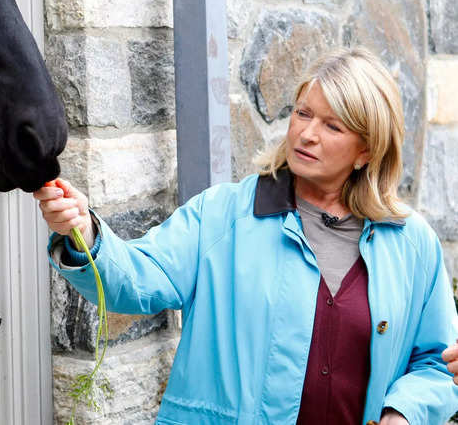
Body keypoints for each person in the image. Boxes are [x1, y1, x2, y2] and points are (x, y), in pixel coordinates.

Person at [34, 48, 458, 424]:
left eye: (332, 126)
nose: (307, 133)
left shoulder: (411, 243)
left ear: (367, 150)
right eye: (303, 112)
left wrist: (402, 414)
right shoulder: (224, 215)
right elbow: (137, 280)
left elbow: (437, 364)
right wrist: (85, 233)